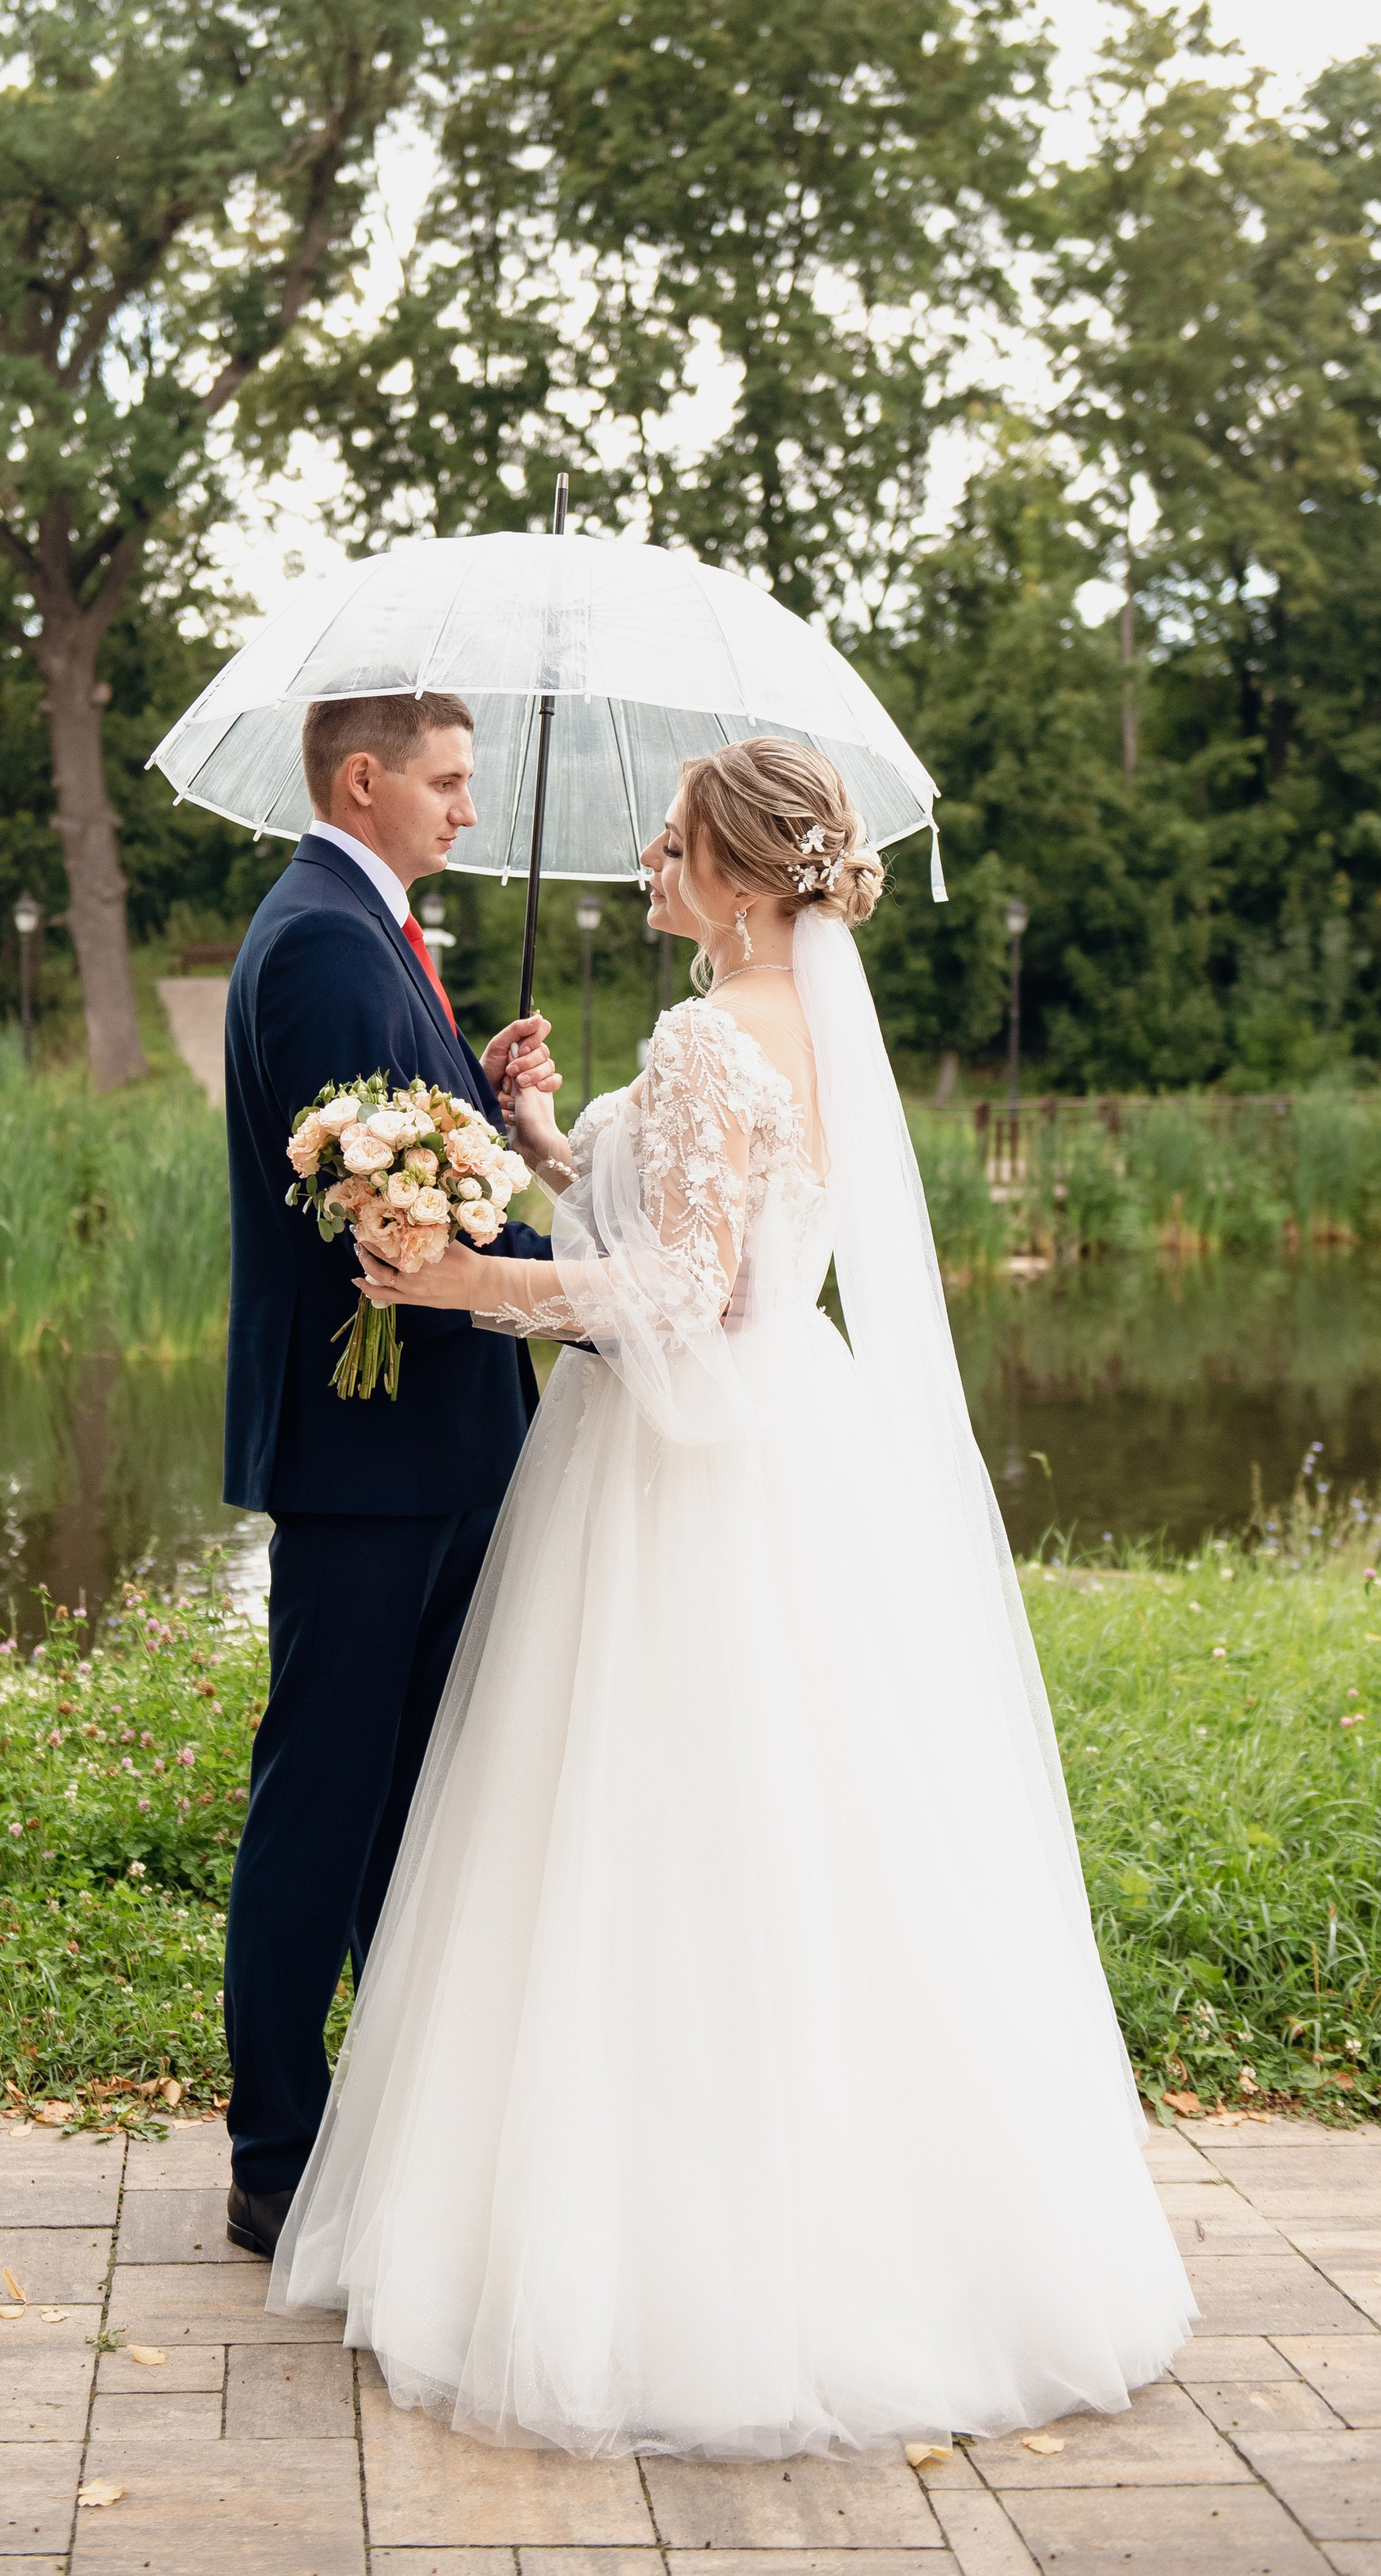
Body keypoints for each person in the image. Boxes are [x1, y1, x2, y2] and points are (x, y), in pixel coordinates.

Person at [268, 735, 1196, 2460]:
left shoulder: (709, 1038)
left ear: (748, 876)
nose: (647, 852)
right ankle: (900, 2229)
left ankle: (654, 2269)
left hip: (674, 1480)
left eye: (676, 836)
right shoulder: (788, 1035)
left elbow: (681, 1288)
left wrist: (467, 1275)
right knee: (807, 1846)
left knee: (654, 1851)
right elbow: (699, 1225)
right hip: (786, 1445)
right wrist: (540, 1132)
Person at [220, 689, 561, 2259]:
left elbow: (412, 1155)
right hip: (374, 1456)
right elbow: (378, 1222)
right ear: (361, 780)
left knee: (406, 1802)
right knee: (324, 1804)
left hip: (425, 1443)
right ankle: (277, 2154)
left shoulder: (375, 938)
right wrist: (595, 1277)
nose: (464, 809)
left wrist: (481, 1110)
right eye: (443, 781)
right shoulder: (323, 941)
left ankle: (388, 2125)